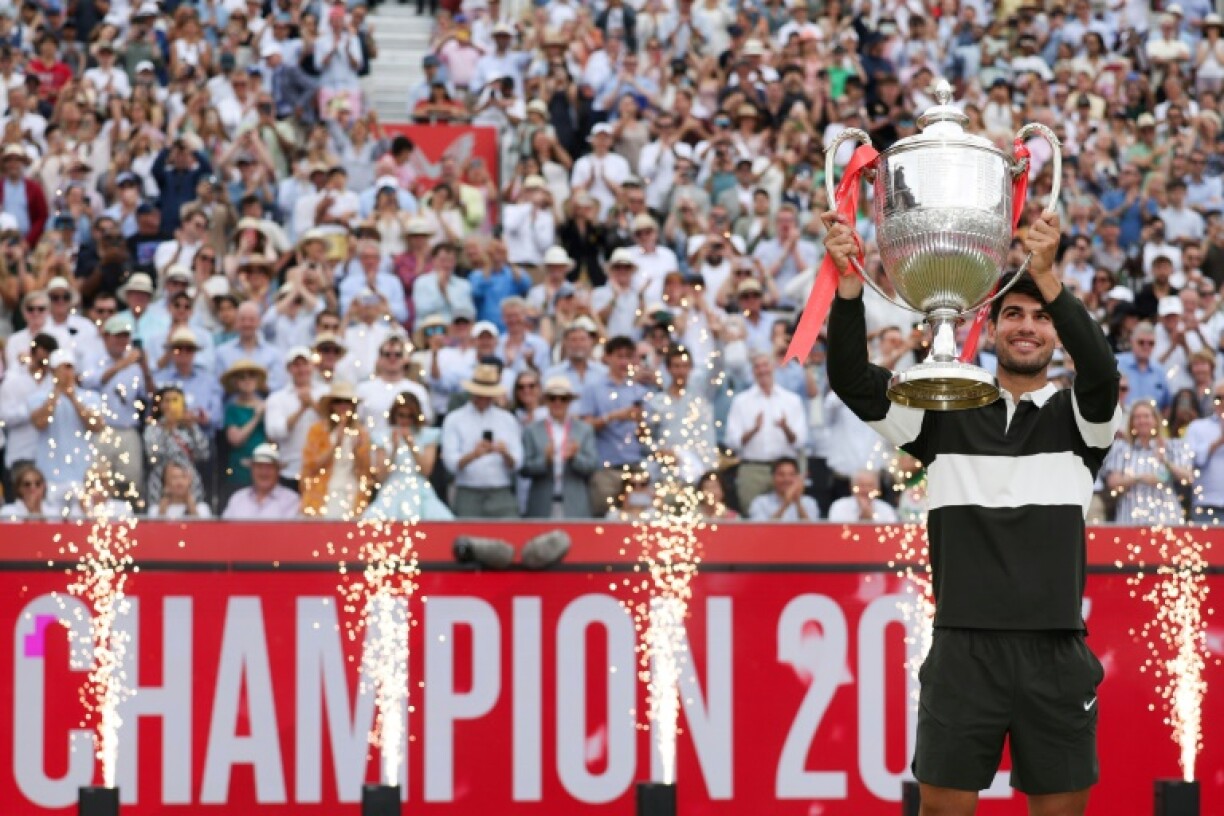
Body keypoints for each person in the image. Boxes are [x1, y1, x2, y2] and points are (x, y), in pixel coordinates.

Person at [825, 209, 1120, 814]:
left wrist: (1049, 278)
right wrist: (849, 285)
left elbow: (1102, 372)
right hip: (963, 651)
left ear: (1056, 332)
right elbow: (852, 379)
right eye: (1014, 313)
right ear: (990, 328)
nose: (1028, 327)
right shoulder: (944, 408)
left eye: (1041, 317)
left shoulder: (1083, 421)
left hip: (1056, 653)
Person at [577, 335, 652, 514]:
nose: (623, 362)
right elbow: (584, 427)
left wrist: (640, 422)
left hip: (634, 467)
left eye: (628, 356)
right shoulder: (593, 388)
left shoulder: (640, 391)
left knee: (638, 520)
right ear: (607, 358)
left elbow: (646, 436)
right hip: (605, 469)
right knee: (603, 520)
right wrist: (612, 417)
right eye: (619, 356)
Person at [725, 351, 808, 511]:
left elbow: (800, 442)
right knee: (752, 518)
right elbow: (732, 442)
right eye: (757, 367)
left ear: (774, 367)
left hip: (785, 472)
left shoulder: (791, 400)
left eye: (765, 365)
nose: (762, 370)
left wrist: (785, 428)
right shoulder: (741, 402)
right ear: (753, 371)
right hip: (753, 470)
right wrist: (753, 430)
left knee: (789, 517)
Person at [441, 362, 523, 518]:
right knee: (466, 539)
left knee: (509, 538)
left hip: (501, 489)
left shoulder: (507, 419)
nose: (484, 398)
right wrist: (474, 455)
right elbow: (450, 463)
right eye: (480, 394)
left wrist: (505, 453)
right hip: (468, 490)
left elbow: (517, 462)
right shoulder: (455, 419)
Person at [364, 390, 453, 521]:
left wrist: (411, 444)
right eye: (401, 415)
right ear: (394, 414)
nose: (405, 420)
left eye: (410, 416)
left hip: (420, 490)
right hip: (391, 490)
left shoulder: (427, 435)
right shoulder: (381, 436)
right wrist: (394, 449)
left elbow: (426, 471)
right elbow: (380, 477)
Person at [1101, 400, 1193, 525]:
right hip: (1130, 518)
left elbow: (1188, 477)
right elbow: (1113, 482)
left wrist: (1165, 461)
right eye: (1137, 417)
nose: (1142, 421)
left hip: (1167, 518)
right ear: (1132, 423)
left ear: (1155, 420)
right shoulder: (1121, 448)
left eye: (1146, 416)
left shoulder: (1172, 446)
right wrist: (1140, 478)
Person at [29, 349, 103, 501]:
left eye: (69, 367)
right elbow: (39, 423)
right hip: (49, 475)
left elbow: (97, 426)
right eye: (61, 368)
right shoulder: (38, 397)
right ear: (52, 371)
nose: (66, 373)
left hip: (82, 474)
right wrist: (56, 393)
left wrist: (73, 397)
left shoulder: (90, 397)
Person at [521, 376, 599, 518]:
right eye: (553, 398)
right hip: (542, 504)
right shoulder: (532, 430)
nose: (558, 402)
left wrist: (575, 457)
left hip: (574, 503)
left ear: (569, 401)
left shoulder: (583, 430)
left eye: (563, 398)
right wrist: (545, 460)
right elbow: (524, 469)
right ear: (546, 401)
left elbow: (592, 466)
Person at [300, 382, 374, 519]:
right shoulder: (318, 430)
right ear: (331, 405)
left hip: (352, 491)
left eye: (347, 402)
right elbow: (311, 467)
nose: (343, 406)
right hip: (322, 491)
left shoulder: (361, 433)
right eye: (338, 402)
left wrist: (356, 451)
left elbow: (365, 473)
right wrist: (336, 445)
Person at [264, 347, 326, 489]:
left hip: (321, 468)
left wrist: (313, 404)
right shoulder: (277, 398)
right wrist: (302, 409)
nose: (301, 369)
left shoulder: (326, 392)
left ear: (312, 366)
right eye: (296, 365)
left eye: (305, 364)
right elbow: (274, 432)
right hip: (289, 470)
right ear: (289, 369)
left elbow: (333, 423)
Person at [144, 386, 211, 507]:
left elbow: (204, 454)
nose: (171, 405)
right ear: (160, 405)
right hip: (161, 481)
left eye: (175, 400)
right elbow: (153, 455)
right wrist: (167, 428)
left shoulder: (190, 426)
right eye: (167, 400)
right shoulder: (153, 428)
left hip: (188, 480)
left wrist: (192, 427)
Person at [221, 360, 269, 494]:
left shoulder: (268, 405)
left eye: (251, 376)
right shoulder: (232, 408)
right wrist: (256, 417)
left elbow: (273, 438)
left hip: (264, 465)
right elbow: (235, 440)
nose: (247, 381)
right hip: (240, 467)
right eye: (242, 378)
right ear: (235, 383)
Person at [223, 443, 302, 519]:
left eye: (269, 467)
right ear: (252, 470)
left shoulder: (291, 500)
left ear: (278, 471)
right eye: (259, 467)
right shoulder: (237, 499)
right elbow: (224, 530)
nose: (264, 472)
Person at [747, 457, 820, 520]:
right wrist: (785, 505)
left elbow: (812, 531)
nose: (786, 479)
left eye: (791, 475)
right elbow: (761, 532)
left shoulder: (809, 502)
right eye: (781, 475)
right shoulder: (760, 502)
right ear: (773, 477)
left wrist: (798, 502)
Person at [826, 470, 900, 523]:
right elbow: (836, 532)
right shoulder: (839, 506)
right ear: (852, 487)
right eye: (861, 485)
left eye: (870, 485)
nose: (866, 490)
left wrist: (870, 518)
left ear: (877, 488)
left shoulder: (886, 509)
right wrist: (861, 517)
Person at [147, 461, 212, 519]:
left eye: (183, 477)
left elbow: (202, 530)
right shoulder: (154, 510)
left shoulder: (202, 509)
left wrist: (192, 507)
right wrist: (162, 511)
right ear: (165, 482)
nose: (179, 482)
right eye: (174, 477)